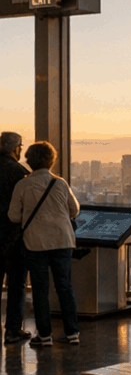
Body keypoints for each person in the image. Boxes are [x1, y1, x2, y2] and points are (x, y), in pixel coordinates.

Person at [7, 141, 81, 347]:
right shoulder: (60, 183)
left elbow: (13, 216)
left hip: (35, 242)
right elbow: (74, 210)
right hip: (62, 240)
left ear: (29, 161)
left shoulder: (22, 185)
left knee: (40, 289)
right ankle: (72, 332)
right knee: (65, 287)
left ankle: (45, 335)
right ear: (51, 161)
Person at [1, 132, 31, 345]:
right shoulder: (19, 173)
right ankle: (12, 330)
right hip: (13, 238)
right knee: (16, 284)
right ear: (16, 149)